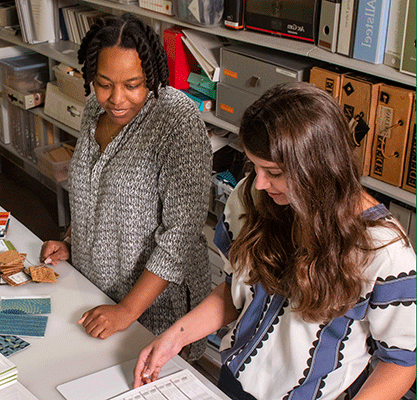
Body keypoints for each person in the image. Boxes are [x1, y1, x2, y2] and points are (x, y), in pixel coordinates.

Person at [133, 82, 415, 399]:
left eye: (275, 172)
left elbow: (401, 361)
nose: (260, 182)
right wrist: (174, 337)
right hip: (236, 379)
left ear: (319, 167)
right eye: (255, 166)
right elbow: (236, 290)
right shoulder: (250, 197)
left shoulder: (385, 251)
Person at [40, 13, 212, 359]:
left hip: (153, 309)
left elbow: (179, 236)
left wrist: (127, 311)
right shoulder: (94, 109)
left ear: (152, 76)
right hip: (95, 288)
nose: (117, 99)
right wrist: (72, 242)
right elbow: (95, 188)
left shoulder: (178, 122)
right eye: (104, 84)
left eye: (133, 85)